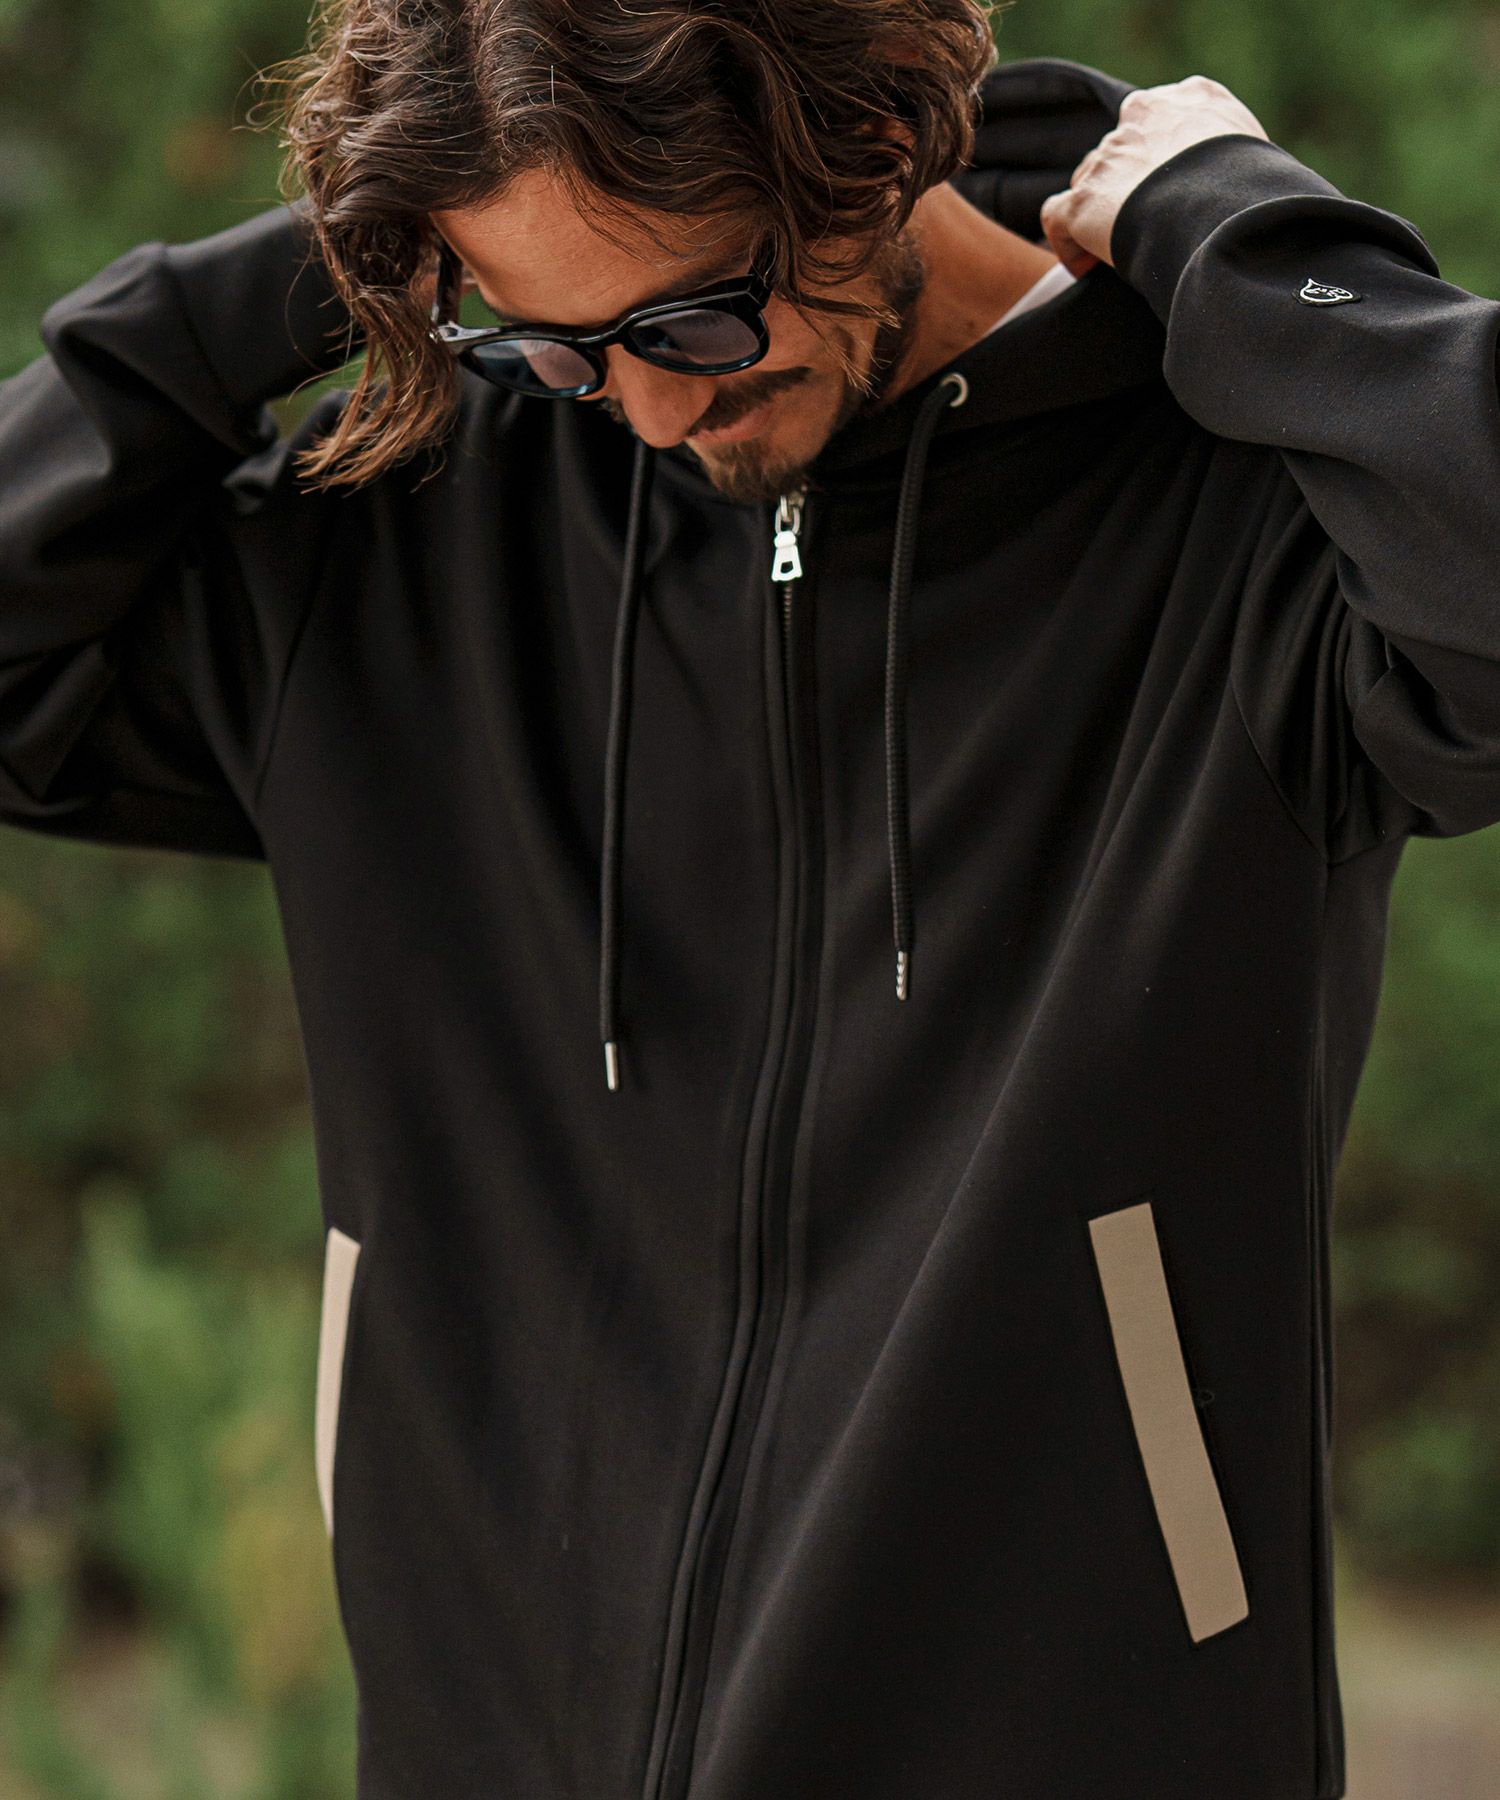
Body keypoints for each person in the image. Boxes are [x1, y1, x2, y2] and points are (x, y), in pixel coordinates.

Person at [2, 2, 1497, 1795]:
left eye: (694, 317)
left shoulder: (1227, 522)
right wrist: (308, 282)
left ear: (872, 150)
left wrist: (1236, 234)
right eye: (555, 346)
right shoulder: (415, 525)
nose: (649, 409)